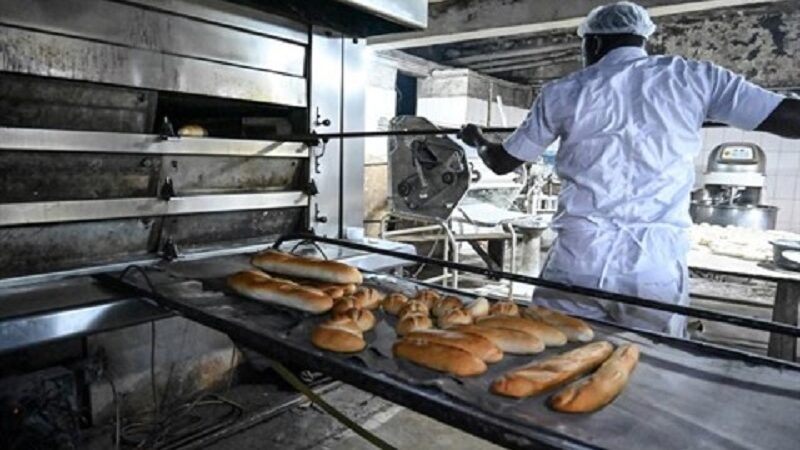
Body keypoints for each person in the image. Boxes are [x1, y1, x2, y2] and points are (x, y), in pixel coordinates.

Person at [458, 1, 800, 336]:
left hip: (579, 258)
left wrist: (478, 140)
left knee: (555, 354)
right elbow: (791, 118)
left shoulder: (563, 91)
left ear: (592, 42)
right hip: (651, 263)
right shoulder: (694, 77)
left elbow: (503, 162)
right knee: (650, 366)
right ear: (642, 39)